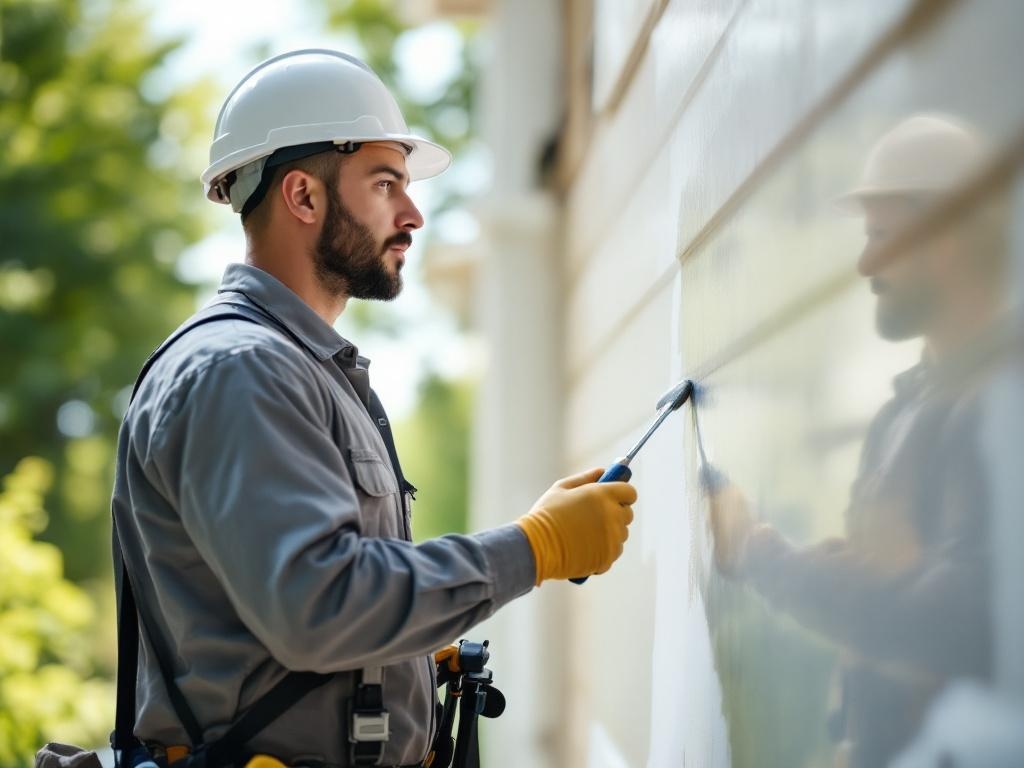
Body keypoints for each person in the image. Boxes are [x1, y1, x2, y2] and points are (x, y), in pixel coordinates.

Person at [110, 49, 637, 768]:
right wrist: (532, 548)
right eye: (386, 183)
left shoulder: (300, 369)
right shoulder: (243, 371)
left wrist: (402, 661)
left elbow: (305, 607)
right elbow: (320, 608)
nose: (414, 213)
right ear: (303, 197)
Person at [707, 114, 1007, 768]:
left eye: (881, 236)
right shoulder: (906, 411)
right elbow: (883, 617)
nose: (867, 262)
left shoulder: (999, 408)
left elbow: (951, 625)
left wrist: (760, 556)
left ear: (947, 237)